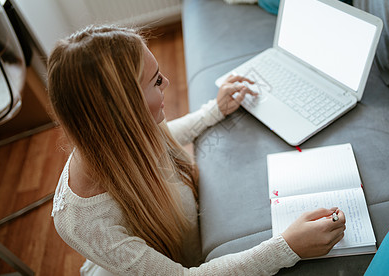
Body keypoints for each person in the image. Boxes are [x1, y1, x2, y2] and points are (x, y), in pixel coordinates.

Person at [48, 25, 346, 275]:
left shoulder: (116, 135)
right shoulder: (84, 223)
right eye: (155, 82)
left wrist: (214, 110)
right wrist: (287, 247)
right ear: (121, 111)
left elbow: (163, 137)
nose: (167, 83)